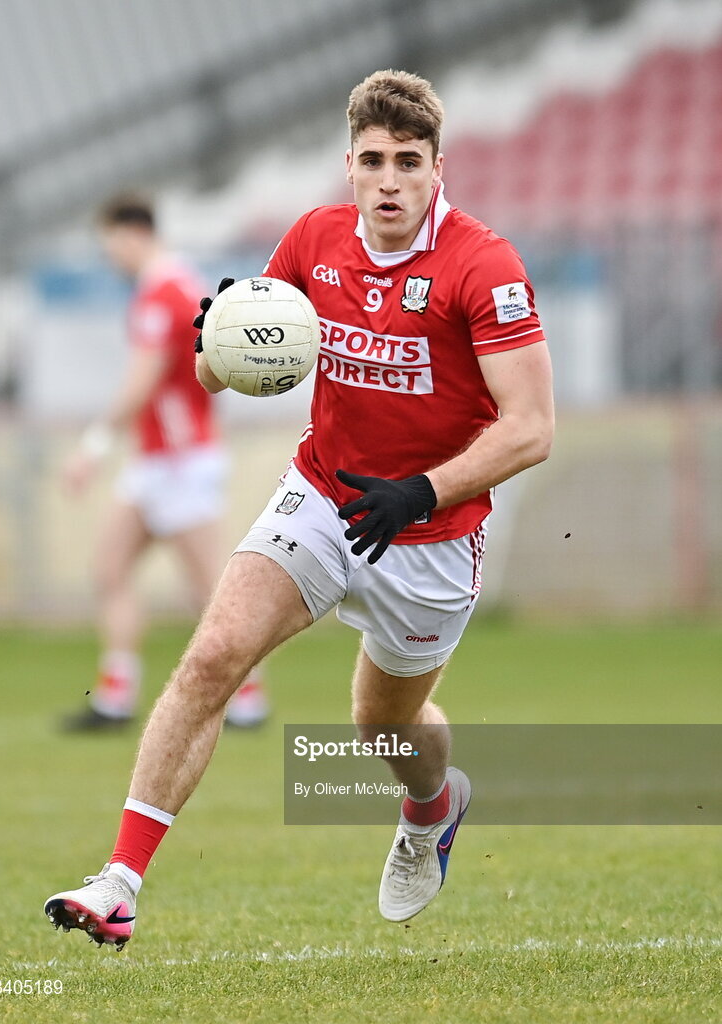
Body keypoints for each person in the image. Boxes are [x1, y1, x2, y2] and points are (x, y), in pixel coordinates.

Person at [44, 70, 554, 948]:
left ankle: (432, 805)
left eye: (407, 162)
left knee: (381, 724)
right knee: (211, 657)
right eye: (372, 161)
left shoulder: (482, 263)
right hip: (320, 496)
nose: (388, 180)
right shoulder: (313, 239)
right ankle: (120, 881)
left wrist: (423, 490)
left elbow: (532, 428)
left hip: (430, 537)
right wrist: (221, 338)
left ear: (437, 168)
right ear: (347, 164)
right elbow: (215, 371)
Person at [61, 194, 268, 733]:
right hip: (158, 461)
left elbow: (144, 377)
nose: (111, 257)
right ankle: (116, 695)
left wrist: (94, 446)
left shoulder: (163, 291)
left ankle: (247, 698)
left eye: (110, 244)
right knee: (109, 570)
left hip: (180, 462)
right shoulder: (180, 285)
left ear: (130, 233)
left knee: (210, 589)